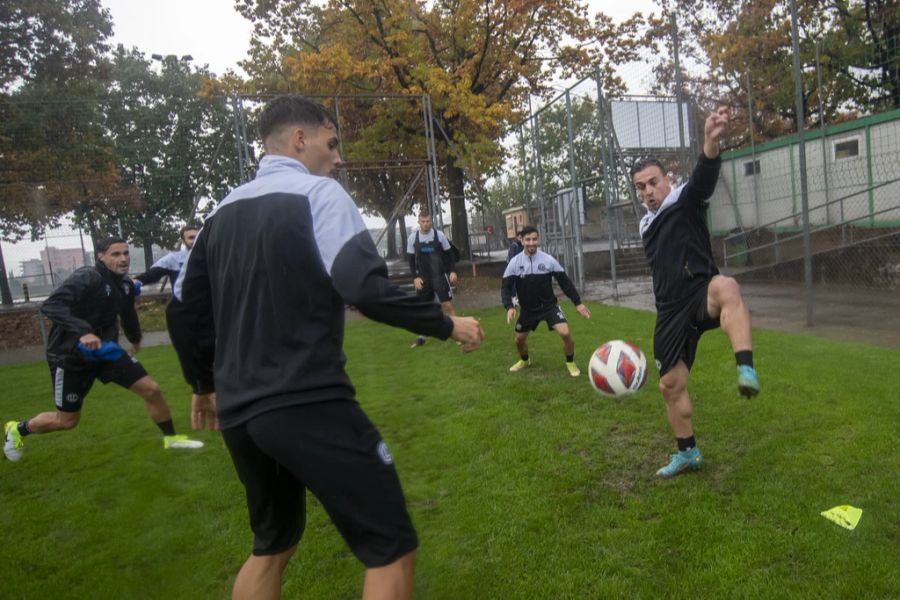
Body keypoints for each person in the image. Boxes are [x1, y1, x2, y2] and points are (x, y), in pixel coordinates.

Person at [175, 94, 484, 600]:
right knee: (391, 546)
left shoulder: (218, 216)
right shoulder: (318, 195)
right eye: (332, 143)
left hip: (239, 414)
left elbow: (184, 309)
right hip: (306, 400)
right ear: (301, 139)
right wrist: (448, 325)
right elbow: (362, 287)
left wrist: (203, 385)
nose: (337, 157)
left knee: (271, 545)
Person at [631, 106, 760, 479]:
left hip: (701, 291)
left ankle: (746, 368)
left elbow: (703, 179)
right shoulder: (645, 224)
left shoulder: (684, 198)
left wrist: (710, 142)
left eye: (653, 182)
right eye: (641, 186)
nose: (649, 191)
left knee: (728, 287)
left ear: (666, 180)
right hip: (670, 311)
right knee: (670, 385)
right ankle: (687, 453)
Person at [3, 237, 203, 463]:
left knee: (152, 390)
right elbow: (51, 305)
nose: (124, 259)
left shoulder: (126, 285)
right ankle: (18, 429)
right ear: (101, 256)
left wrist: (135, 339)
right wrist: (83, 331)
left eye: (126, 253)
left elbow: (128, 314)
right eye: (116, 254)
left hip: (106, 352)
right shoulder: (87, 277)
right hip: (70, 357)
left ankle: (172, 438)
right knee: (67, 421)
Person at [134, 225, 217, 431]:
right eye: (190, 237)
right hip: (188, 317)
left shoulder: (211, 254)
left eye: (197, 237)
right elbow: (152, 273)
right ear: (183, 239)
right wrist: (136, 281)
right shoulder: (174, 259)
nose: (194, 240)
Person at [501, 225, 591, 377]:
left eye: (534, 239)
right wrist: (509, 307)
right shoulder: (515, 263)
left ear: (538, 240)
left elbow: (565, 282)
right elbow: (505, 287)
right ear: (522, 241)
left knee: (565, 333)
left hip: (549, 307)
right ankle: (525, 360)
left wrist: (578, 303)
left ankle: (570, 362)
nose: (531, 243)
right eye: (528, 239)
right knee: (519, 340)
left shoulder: (548, 260)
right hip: (528, 310)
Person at [406, 211, 458, 347]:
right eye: (423, 221)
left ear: (431, 221)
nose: (425, 224)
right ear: (419, 222)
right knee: (424, 308)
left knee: (447, 305)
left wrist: (452, 271)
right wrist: (415, 277)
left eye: (428, 221)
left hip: (439, 276)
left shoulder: (439, 236)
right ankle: (421, 337)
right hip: (423, 278)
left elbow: (449, 255)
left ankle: (458, 332)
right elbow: (411, 260)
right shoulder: (413, 238)